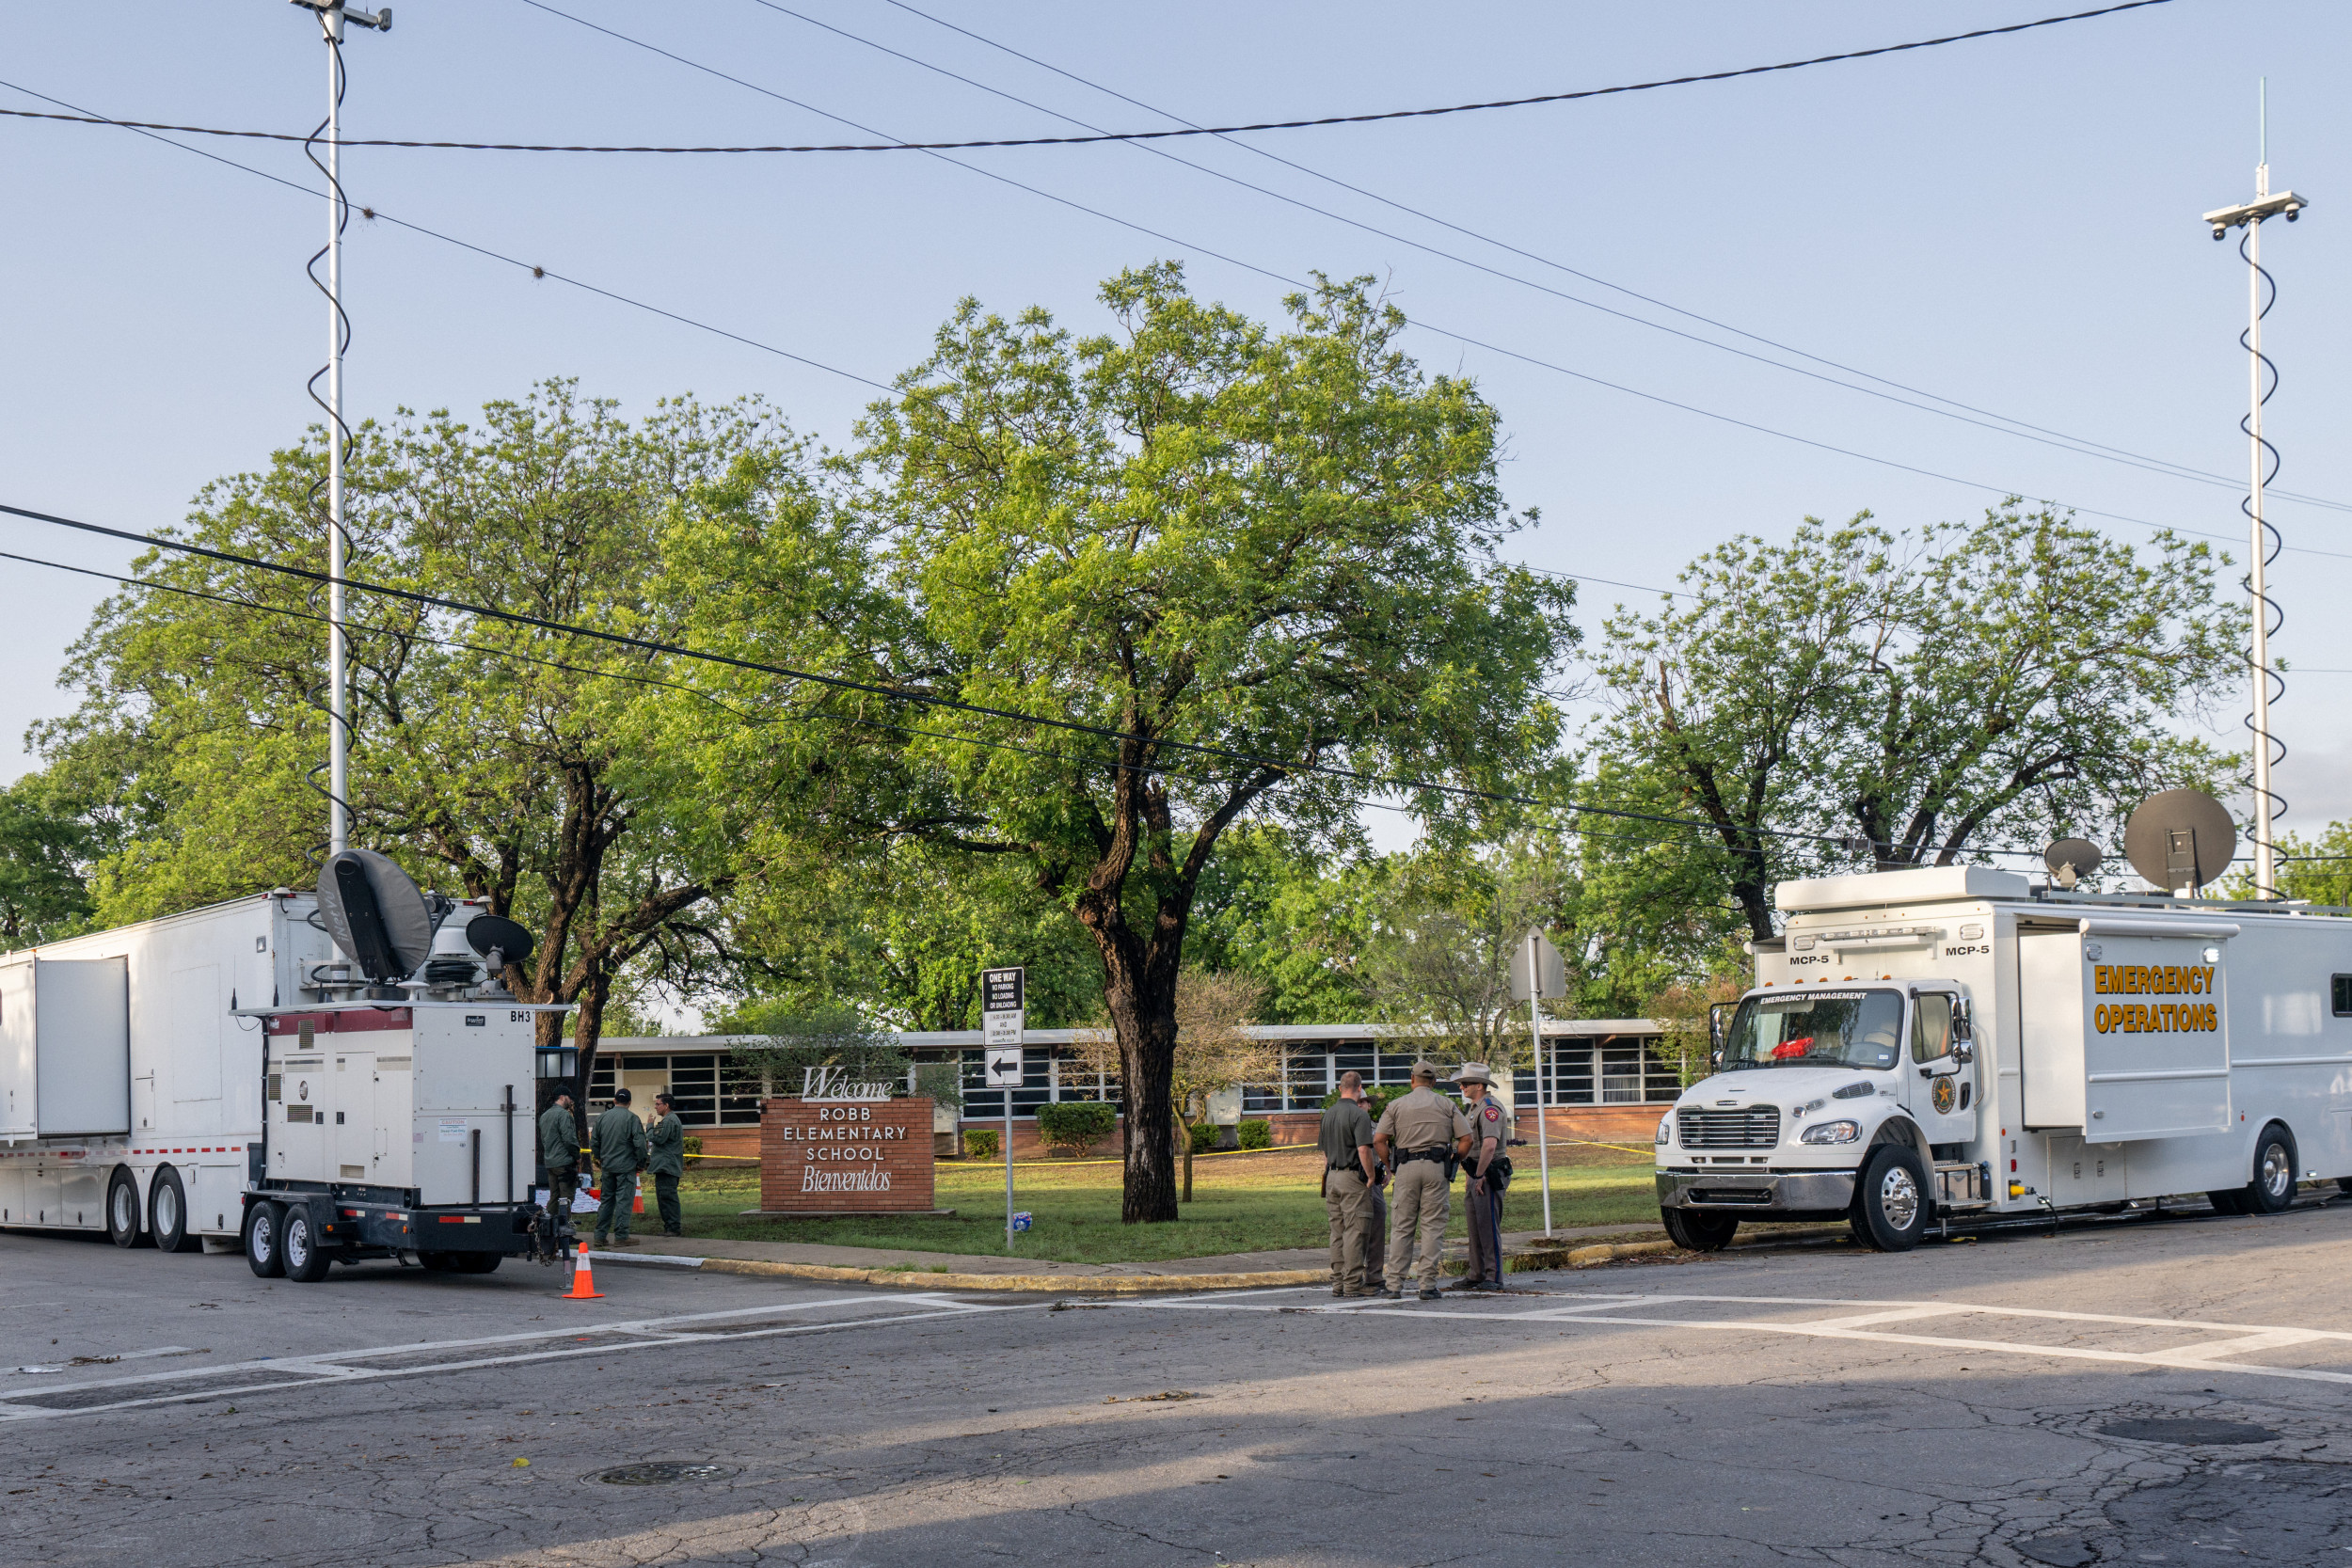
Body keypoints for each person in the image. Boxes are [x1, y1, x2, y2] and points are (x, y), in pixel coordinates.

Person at [1372, 1062, 1471, 1301]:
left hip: (1406, 1167)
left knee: (1402, 1227)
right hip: (1437, 1168)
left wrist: (1389, 1165)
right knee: (1432, 1227)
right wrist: (1455, 1156)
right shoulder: (1447, 1105)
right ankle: (1427, 1285)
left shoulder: (1396, 1105)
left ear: (1412, 1079)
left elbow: (1379, 1139)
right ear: (1434, 1082)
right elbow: (1466, 1138)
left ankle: (1394, 1284)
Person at [1317, 1071, 1380, 1297]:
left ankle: (1338, 1282)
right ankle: (1353, 1282)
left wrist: (1328, 1173)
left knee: (1337, 1231)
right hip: (1352, 1176)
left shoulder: (1328, 1114)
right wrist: (1371, 1176)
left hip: (1332, 1175)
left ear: (1340, 1087)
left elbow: (1325, 1152)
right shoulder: (1358, 1115)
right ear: (1359, 1087)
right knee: (1356, 1230)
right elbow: (1364, 1149)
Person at [1451, 1063, 1509, 1291]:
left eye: (1465, 1083)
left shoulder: (1489, 1108)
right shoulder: (1474, 1108)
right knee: (1475, 1226)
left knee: (1488, 1225)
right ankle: (1477, 1273)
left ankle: (1494, 1277)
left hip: (1489, 1171)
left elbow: (1490, 1145)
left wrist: (1480, 1174)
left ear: (1479, 1085)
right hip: (1476, 1172)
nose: (1462, 1087)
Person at [591, 1087, 650, 1248]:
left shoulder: (602, 1117)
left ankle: (600, 1236)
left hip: (608, 1166)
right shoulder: (632, 1118)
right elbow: (639, 1144)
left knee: (606, 1200)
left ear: (614, 1101)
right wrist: (641, 1162)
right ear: (630, 1102)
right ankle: (621, 1236)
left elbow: (594, 1142)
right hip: (626, 1166)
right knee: (624, 1201)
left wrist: (600, 1158)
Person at [646, 1091, 687, 1239]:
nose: (656, 1107)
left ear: (667, 1105)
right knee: (663, 1198)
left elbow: (658, 1138)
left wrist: (650, 1127)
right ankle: (669, 1227)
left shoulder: (669, 1121)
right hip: (665, 1166)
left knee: (668, 1198)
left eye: (658, 1104)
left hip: (667, 1166)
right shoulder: (669, 1120)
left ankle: (673, 1227)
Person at [538, 1091, 580, 1227]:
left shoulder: (545, 1115)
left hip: (550, 1162)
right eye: (569, 1098)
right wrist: (577, 1156)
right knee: (566, 1199)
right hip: (564, 1163)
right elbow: (569, 1139)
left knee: (554, 1197)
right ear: (562, 1097)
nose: (571, 1101)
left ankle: (547, 1228)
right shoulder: (563, 1115)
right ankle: (564, 1230)